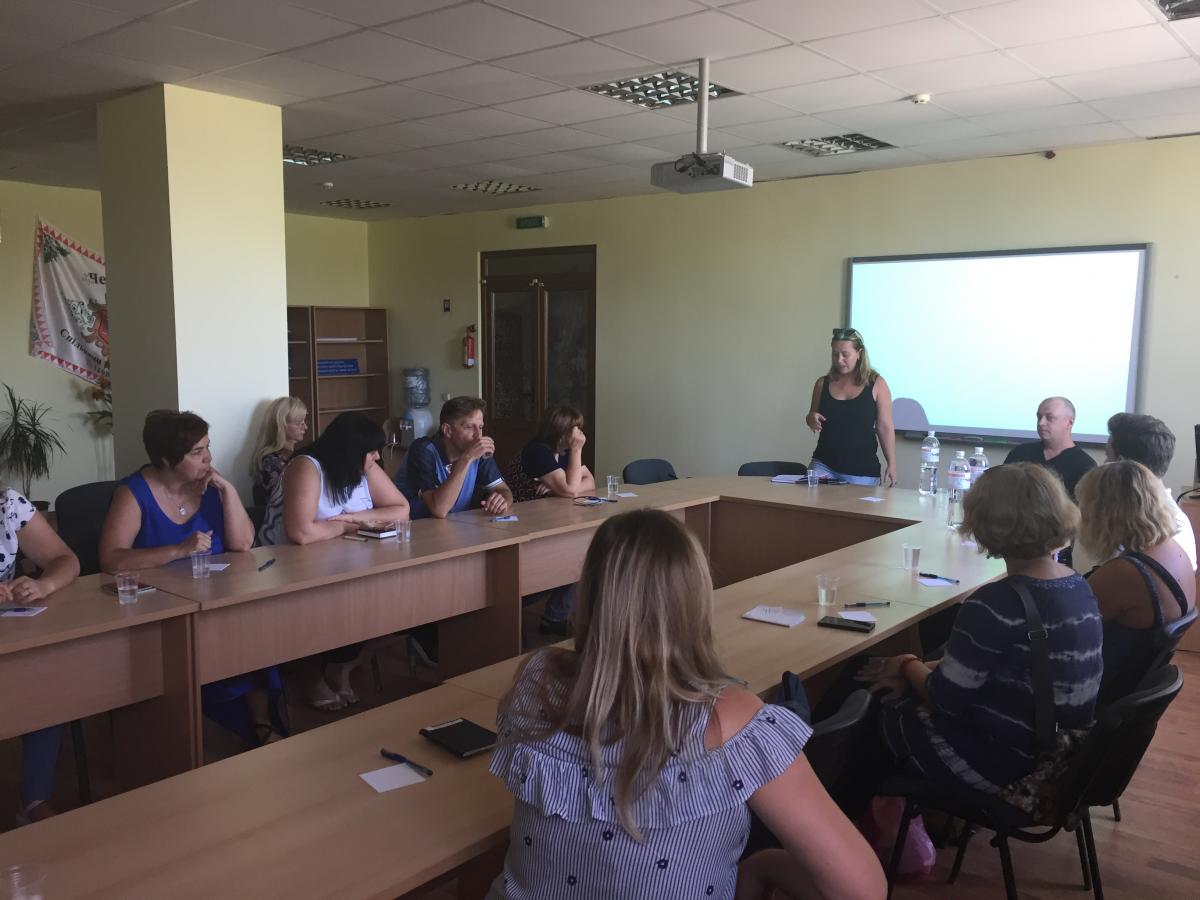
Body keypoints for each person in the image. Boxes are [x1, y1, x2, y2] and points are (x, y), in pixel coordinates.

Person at [488, 509, 885, 900]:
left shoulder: (536, 680)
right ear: (696, 602)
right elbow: (865, 890)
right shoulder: (733, 722)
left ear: (590, 595)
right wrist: (767, 865)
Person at [855, 464, 1102, 807]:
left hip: (1007, 767)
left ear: (985, 523)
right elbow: (1001, 668)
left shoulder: (995, 603)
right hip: (1062, 760)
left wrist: (907, 664)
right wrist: (915, 669)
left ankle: (852, 826)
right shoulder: (1078, 585)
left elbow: (944, 701)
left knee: (869, 709)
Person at [99, 411, 285, 745]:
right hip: (163, 609)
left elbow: (243, 544)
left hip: (217, 598)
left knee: (255, 632)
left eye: (208, 447)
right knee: (206, 653)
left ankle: (259, 723)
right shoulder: (134, 492)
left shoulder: (210, 487)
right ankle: (216, 729)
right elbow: (111, 558)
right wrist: (176, 550)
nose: (208, 458)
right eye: (197, 452)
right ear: (166, 459)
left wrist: (228, 490)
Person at [259, 412, 410, 710]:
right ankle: (310, 673)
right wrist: (344, 526)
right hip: (285, 567)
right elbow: (302, 533)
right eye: (371, 451)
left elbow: (401, 509)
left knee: (387, 599)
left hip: (344, 560)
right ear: (350, 451)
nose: (377, 457)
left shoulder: (364, 467)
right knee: (321, 607)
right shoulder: (306, 466)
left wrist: (353, 518)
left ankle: (341, 665)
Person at [1076, 461, 1196, 704]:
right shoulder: (1174, 551)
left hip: (1095, 692)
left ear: (1104, 513)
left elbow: (1062, 628)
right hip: (1126, 689)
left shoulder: (1124, 573)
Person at [2, 481, 81, 825]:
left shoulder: (7, 503)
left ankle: (33, 797)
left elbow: (65, 560)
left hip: (9, 638)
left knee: (49, 677)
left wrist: (42, 584)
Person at [1073, 412, 1196, 575]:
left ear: (1123, 468)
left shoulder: (1156, 533)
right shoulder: (1164, 520)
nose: (1103, 464)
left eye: (1108, 457)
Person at [806, 327, 897, 487]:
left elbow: (884, 427)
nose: (839, 359)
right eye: (835, 354)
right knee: (809, 500)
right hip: (823, 465)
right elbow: (811, 416)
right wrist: (812, 418)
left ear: (859, 354)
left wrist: (892, 463)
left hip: (861, 471)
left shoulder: (877, 384)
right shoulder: (822, 383)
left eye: (845, 354)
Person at [404, 396, 513, 519]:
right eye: (469, 427)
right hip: (419, 526)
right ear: (447, 430)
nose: (478, 436)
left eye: (480, 427)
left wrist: (502, 501)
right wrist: (467, 458)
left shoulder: (478, 452)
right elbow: (439, 509)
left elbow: (504, 490)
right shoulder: (423, 450)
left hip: (459, 525)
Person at [1004, 396, 1096, 499]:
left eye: (1050, 417)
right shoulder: (1020, 452)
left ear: (1069, 422)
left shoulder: (1084, 465)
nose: (1041, 423)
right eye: (1039, 417)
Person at [505, 405, 595, 502]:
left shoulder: (565, 449)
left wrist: (558, 490)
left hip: (549, 506)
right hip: (522, 508)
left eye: (579, 427)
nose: (578, 433)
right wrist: (576, 449)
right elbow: (571, 492)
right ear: (559, 430)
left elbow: (590, 481)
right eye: (573, 428)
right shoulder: (537, 451)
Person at [249, 396, 308, 502]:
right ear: (281, 425)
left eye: (304, 421)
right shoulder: (270, 461)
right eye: (298, 423)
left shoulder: (295, 454)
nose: (305, 427)